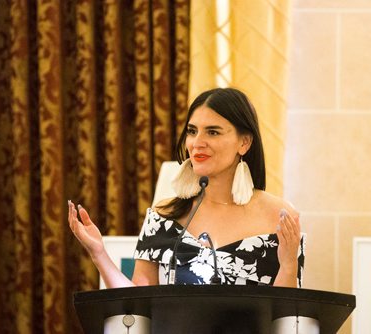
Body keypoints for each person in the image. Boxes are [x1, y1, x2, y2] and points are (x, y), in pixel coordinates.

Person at [68, 87, 305, 289]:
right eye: (192, 131)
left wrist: (288, 264)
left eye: (212, 132)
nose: (196, 143)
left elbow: (288, 316)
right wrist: (98, 253)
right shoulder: (164, 216)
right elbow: (136, 302)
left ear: (244, 142)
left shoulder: (279, 216)